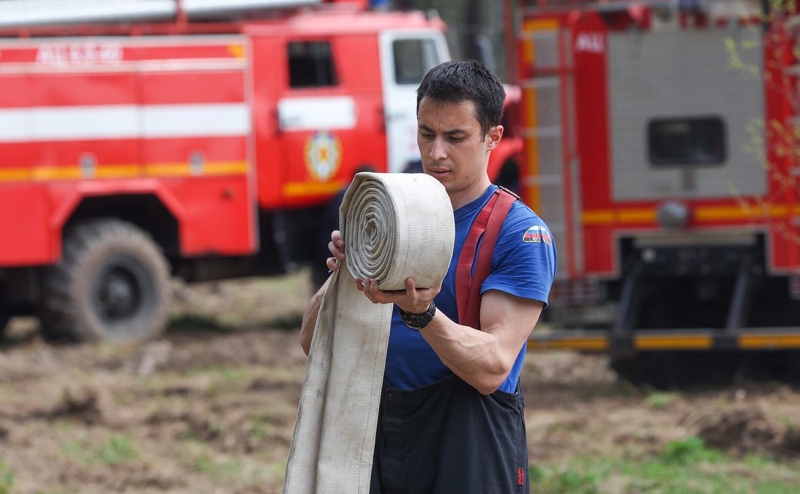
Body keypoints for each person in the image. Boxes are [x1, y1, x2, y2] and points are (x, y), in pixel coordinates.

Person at [299, 59, 557, 493]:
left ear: (493, 137)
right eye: (427, 134)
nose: (436, 152)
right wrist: (347, 272)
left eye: (455, 137)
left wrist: (422, 314)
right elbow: (313, 344)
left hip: (470, 437)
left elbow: (493, 367)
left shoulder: (519, 232)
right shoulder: (389, 217)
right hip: (377, 429)